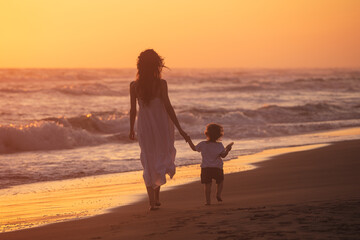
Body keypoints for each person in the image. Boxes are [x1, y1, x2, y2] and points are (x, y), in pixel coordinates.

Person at [129, 49, 189, 210]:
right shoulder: (161, 84)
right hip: (161, 125)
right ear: (157, 65)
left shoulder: (134, 86)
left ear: (140, 66)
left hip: (144, 126)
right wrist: (179, 128)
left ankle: (152, 200)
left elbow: (133, 111)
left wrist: (131, 129)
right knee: (160, 157)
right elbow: (168, 108)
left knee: (148, 159)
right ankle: (156, 198)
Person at [187, 123, 233, 205]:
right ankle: (218, 194)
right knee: (220, 181)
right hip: (217, 168)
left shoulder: (203, 144)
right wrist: (228, 149)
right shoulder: (220, 145)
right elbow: (223, 156)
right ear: (219, 135)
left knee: (207, 185)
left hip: (206, 168)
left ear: (206, 133)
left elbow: (194, 148)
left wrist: (189, 140)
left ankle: (208, 202)